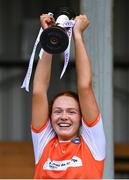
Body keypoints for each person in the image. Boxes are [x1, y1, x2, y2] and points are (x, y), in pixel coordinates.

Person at [31, 13, 106, 179]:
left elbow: (85, 87)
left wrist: (77, 35)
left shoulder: (92, 143)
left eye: (71, 112)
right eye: (57, 111)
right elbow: (38, 91)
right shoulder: (44, 143)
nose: (63, 117)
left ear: (81, 117)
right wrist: (49, 37)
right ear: (49, 117)